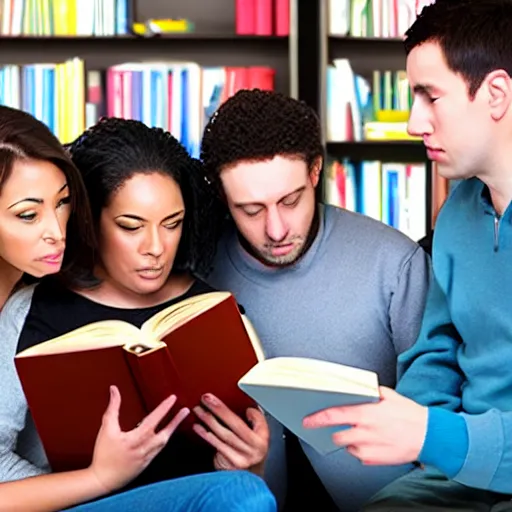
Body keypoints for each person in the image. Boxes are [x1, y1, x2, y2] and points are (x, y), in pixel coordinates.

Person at [0, 113, 276, 512]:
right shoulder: (29, 310)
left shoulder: (217, 314)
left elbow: (244, 483)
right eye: (130, 226)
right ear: (91, 220)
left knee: (244, 492)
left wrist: (252, 464)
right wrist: (93, 483)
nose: (155, 247)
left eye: (172, 224)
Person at [302, 1, 512, 510]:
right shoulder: (459, 211)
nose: (413, 122)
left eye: (430, 96)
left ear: (496, 94)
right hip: (463, 474)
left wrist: (431, 434)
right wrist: (412, 422)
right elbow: (438, 349)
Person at [200, 89, 432, 511]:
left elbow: (439, 419)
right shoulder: (199, 270)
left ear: (315, 172)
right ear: (221, 196)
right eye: (250, 210)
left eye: (290, 201)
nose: (276, 229)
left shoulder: (395, 264)